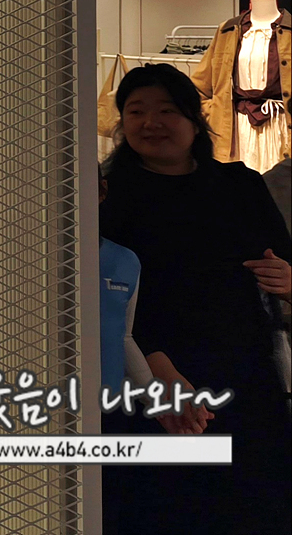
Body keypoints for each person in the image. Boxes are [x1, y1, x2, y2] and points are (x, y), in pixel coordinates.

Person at [100, 63, 292, 535]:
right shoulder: (109, 193)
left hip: (245, 368)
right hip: (150, 371)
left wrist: (288, 279)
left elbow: (282, 261)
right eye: (136, 111)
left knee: (253, 501)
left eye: (166, 110)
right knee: (167, 505)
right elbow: (109, 298)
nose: (150, 123)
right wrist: (158, 373)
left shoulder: (240, 183)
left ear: (194, 117)